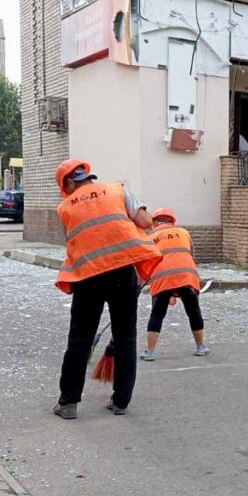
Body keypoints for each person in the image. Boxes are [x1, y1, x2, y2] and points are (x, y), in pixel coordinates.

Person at [52, 159, 163, 420]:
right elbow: (146, 221)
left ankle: (68, 404)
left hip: (87, 276)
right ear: (87, 175)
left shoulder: (65, 207)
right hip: (122, 272)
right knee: (125, 338)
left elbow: (75, 240)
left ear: (69, 182)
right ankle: (121, 401)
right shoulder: (117, 190)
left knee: (79, 341)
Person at [140, 207, 209, 361]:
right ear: (171, 221)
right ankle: (201, 347)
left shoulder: (150, 237)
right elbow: (191, 255)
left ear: (155, 222)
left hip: (162, 279)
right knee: (193, 312)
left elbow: (147, 262)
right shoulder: (184, 232)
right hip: (186, 276)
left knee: (157, 314)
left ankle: (149, 352)